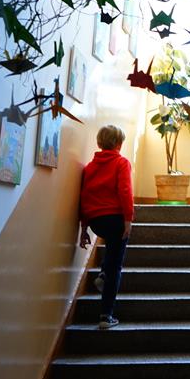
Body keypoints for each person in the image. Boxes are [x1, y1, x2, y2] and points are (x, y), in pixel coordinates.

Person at [78, 125, 133, 329]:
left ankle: (102, 273)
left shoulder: (89, 167)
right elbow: (125, 191)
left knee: (111, 249)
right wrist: (128, 219)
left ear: (99, 143)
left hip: (96, 222)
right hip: (115, 219)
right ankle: (106, 316)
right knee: (115, 267)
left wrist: (84, 228)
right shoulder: (121, 163)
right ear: (118, 143)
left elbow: (84, 196)